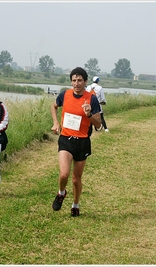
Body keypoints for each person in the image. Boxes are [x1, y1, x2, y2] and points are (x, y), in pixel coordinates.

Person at [50, 67, 102, 217]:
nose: (77, 83)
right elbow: (53, 106)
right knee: (64, 174)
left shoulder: (91, 98)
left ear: (85, 82)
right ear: (71, 82)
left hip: (82, 142)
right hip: (66, 139)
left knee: (75, 178)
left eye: (80, 80)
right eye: (74, 80)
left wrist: (89, 114)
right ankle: (61, 193)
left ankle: (75, 204)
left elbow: (98, 124)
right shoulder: (65, 94)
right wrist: (55, 122)